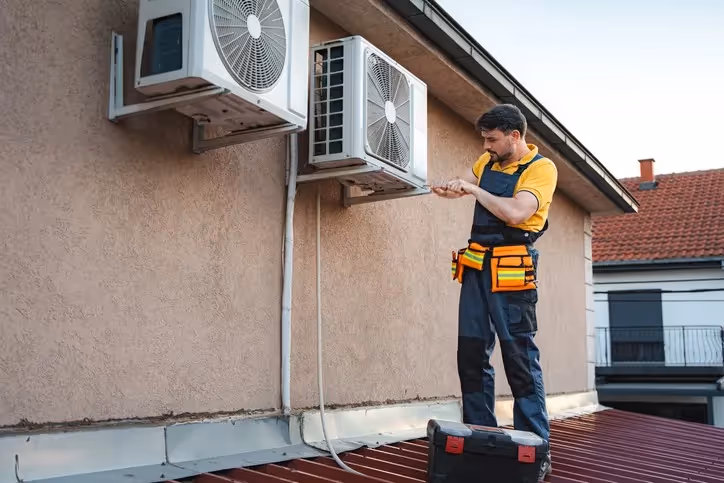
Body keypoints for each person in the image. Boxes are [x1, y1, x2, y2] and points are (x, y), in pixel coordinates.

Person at [432, 104, 558, 480]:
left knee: (518, 358)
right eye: (484, 140)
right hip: (475, 266)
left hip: (512, 270)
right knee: (471, 354)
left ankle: (534, 448)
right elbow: (469, 187)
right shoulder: (487, 161)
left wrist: (471, 188)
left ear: (514, 136)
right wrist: (450, 188)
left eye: (492, 139)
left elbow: (516, 213)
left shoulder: (541, 169)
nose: (485, 146)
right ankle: (480, 439)